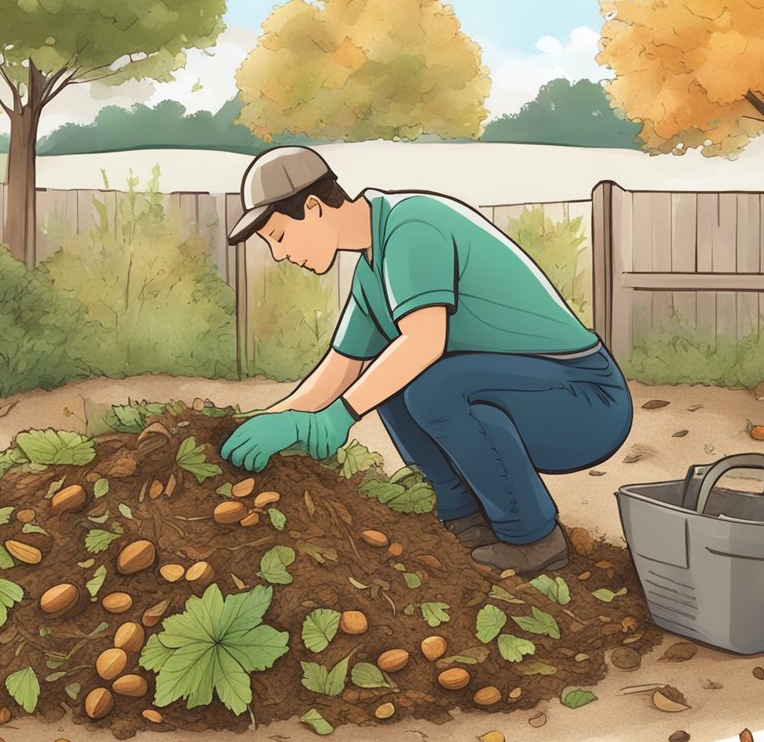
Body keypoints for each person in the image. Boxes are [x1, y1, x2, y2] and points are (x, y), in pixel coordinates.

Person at [217, 146, 634, 573]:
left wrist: (335, 418)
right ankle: (465, 518)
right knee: (392, 383)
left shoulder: (410, 226)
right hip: (524, 396)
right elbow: (340, 369)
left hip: (584, 399)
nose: (281, 255)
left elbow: (424, 342)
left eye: (280, 238)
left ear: (313, 207)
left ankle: (533, 539)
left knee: (431, 385)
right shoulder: (371, 268)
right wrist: (265, 420)